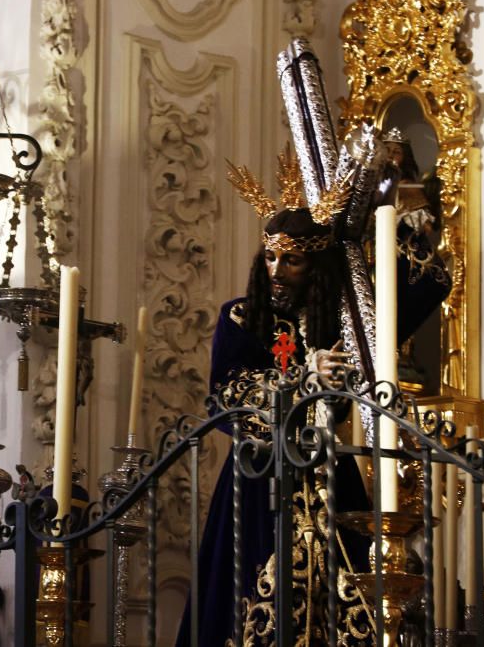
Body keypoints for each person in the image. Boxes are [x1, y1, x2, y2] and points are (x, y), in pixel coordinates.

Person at [176, 147, 450, 646]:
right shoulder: (241, 318)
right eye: (272, 256)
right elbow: (226, 398)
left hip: (331, 474)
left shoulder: (349, 323)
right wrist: (306, 376)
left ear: (317, 264)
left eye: (294, 259)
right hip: (259, 480)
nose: (278, 270)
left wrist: (380, 217)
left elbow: (430, 281)